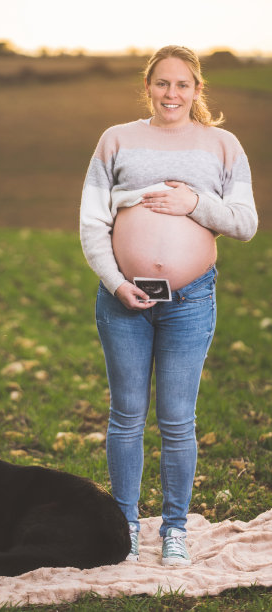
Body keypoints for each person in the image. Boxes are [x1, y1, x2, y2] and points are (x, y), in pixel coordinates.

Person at [80, 45, 257, 566]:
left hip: (190, 301)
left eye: (183, 84)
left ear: (197, 89)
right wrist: (114, 282)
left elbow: (245, 223)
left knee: (178, 420)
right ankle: (126, 526)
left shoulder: (223, 145)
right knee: (126, 416)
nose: (172, 94)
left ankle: (174, 529)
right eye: (162, 83)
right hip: (123, 299)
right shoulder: (116, 140)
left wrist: (194, 204)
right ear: (148, 86)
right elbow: (92, 221)